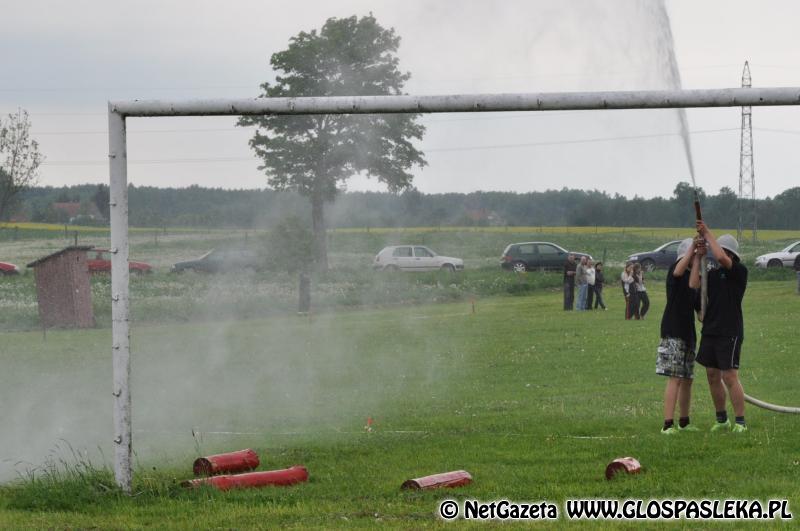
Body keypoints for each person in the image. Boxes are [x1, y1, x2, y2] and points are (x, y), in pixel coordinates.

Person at [691, 222, 749, 433]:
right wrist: (698, 256)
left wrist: (707, 233)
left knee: (729, 376)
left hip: (729, 331)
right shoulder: (712, 275)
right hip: (710, 331)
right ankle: (721, 418)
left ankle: (740, 422)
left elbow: (723, 259)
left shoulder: (739, 272)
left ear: (731, 254)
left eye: (722, 251)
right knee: (712, 375)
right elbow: (695, 288)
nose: (719, 254)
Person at [657, 238, 701, 434]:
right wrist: (694, 248)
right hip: (673, 330)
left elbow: (694, 290)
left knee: (687, 379)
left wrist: (699, 258)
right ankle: (668, 424)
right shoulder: (676, 271)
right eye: (690, 256)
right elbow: (678, 271)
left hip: (688, 333)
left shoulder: (694, 276)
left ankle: (684, 421)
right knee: (675, 377)